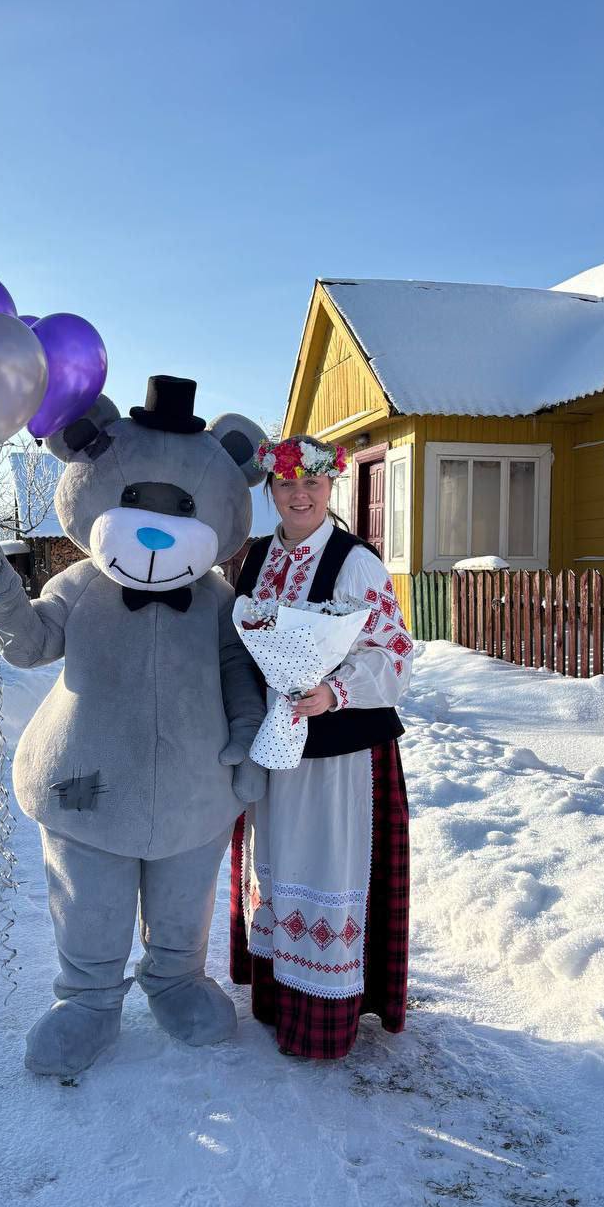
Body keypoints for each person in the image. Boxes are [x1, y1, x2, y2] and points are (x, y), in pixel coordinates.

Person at [229, 434, 414, 1059]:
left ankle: (326, 1015)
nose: (299, 495)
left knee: (326, 866)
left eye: (312, 482)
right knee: (278, 862)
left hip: (341, 755)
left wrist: (334, 691)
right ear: (271, 489)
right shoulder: (257, 557)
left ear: (331, 486)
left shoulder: (355, 561)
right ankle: (280, 997)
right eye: (286, 484)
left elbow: (395, 655)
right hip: (276, 744)